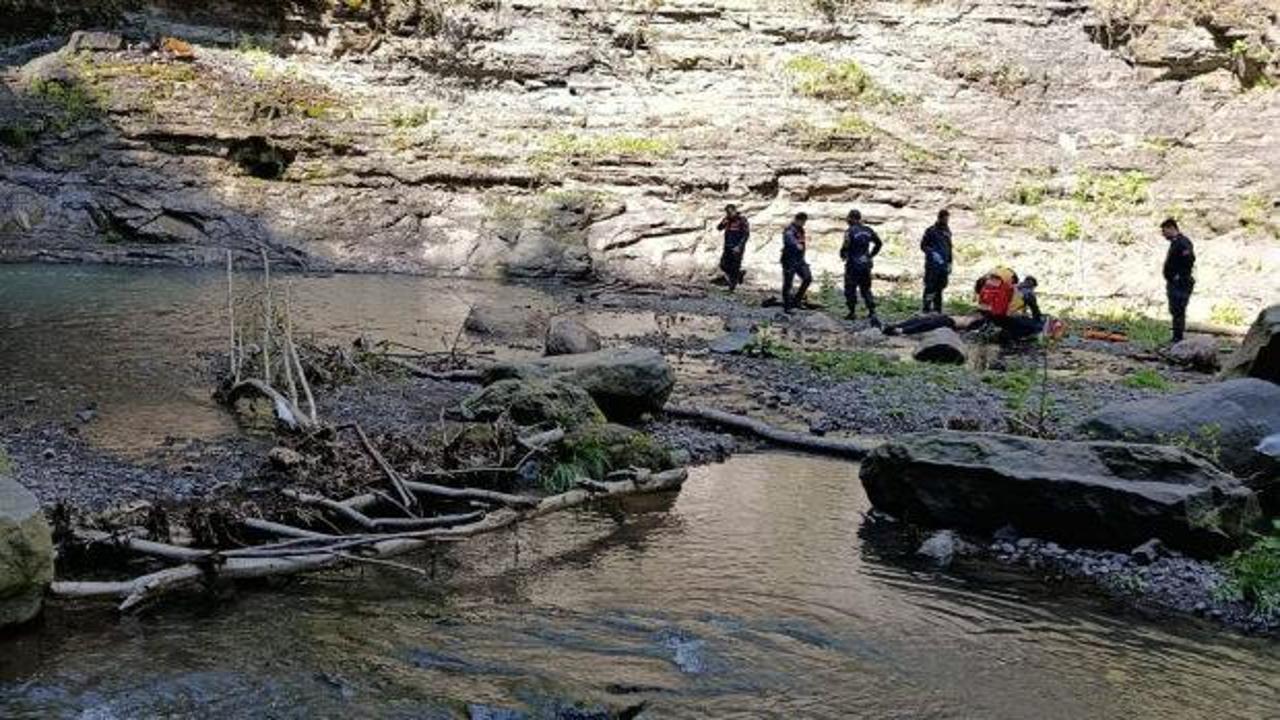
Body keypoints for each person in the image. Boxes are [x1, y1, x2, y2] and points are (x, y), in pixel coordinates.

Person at [840, 209, 882, 326]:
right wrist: (871, 255)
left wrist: (842, 254)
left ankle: (852, 312)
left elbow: (846, 246)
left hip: (853, 264)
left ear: (852, 219)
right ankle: (872, 311)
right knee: (866, 288)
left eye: (848, 218)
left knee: (850, 288)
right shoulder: (868, 230)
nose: (847, 220)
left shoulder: (850, 231)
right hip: (865, 263)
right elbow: (879, 243)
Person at [1161, 217, 1195, 343]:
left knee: (1179, 309)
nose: (1163, 234)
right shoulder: (1176, 242)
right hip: (1175, 282)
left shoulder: (1182, 242)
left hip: (1181, 283)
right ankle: (1176, 336)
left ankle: (1178, 337)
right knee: (1175, 310)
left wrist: (1179, 275)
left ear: (1172, 228)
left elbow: (1189, 259)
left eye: (1164, 231)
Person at [920, 209, 953, 313]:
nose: (946, 220)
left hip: (944, 265)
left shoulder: (947, 231)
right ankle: (926, 308)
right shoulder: (931, 231)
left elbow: (949, 248)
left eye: (948, 218)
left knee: (940, 287)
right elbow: (923, 246)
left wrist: (950, 263)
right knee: (930, 286)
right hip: (932, 265)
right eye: (945, 218)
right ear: (939, 218)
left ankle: (937, 309)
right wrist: (932, 253)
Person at [781, 212, 812, 313]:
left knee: (807, 278)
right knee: (788, 283)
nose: (804, 224)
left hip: (800, 260)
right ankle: (787, 306)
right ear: (798, 220)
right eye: (803, 222)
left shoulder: (801, 230)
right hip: (789, 260)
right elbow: (789, 238)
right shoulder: (790, 229)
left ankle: (797, 300)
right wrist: (796, 244)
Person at [716, 204, 750, 292]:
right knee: (723, 264)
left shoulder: (742, 220)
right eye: (727, 212)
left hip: (737, 247)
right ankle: (738, 275)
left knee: (734, 266)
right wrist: (723, 222)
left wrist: (739, 246)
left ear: (735, 211)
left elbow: (746, 235)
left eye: (730, 212)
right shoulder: (727, 220)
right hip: (727, 246)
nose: (729, 214)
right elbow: (719, 228)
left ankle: (732, 287)